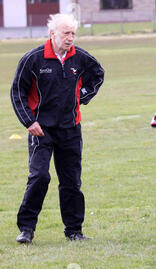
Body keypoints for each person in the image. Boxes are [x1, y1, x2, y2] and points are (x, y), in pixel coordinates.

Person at [11, 14, 105, 243]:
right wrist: (29, 122)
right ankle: (26, 229)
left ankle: (74, 231)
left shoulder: (80, 58)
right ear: (53, 33)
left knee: (72, 181)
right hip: (40, 130)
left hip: (71, 128)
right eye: (66, 33)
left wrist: (83, 97)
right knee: (40, 176)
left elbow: (98, 75)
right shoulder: (33, 59)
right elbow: (17, 92)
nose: (70, 38)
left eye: (73, 33)